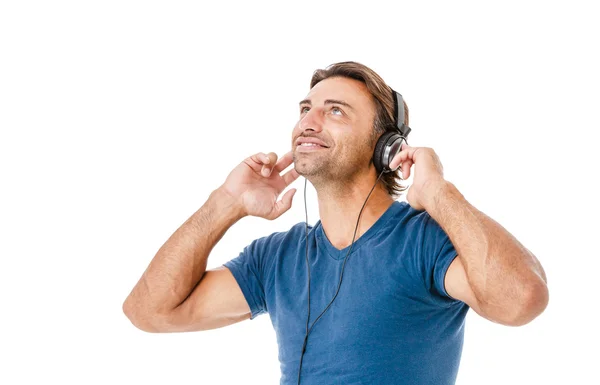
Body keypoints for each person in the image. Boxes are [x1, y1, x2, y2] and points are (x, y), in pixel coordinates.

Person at [122, 61, 549, 385]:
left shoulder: (424, 243)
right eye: (306, 108)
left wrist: (439, 194)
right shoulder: (277, 258)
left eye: (336, 111)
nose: (308, 121)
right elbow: (149, 312)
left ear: (386, 146)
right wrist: (226, 203)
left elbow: (521, 300)